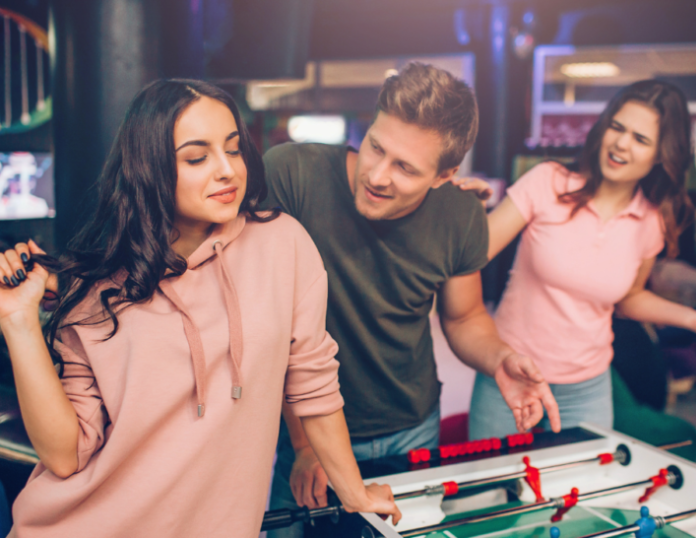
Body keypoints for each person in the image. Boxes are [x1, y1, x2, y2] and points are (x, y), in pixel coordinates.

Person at [0, 79, 399, 538]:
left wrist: (354, 493)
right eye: (197, 157)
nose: (227, 170)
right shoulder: (96, 288)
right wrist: (18, 321)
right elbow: (66, 455)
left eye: (233, 149)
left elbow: (313, 382)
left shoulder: (283, 245)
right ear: (150, 169)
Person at [264, 63, 560, 538]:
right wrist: (304, 443)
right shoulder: (291, 174)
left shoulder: (460, 214)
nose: (378, 175)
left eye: (405, 167)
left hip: (411, 424)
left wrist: (500, 358)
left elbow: (464, 317)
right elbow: (269, 323)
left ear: (445, 175)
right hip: (308, 428)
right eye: (376, 147)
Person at [464, 79, 696, 438]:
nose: (621, 143)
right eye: (617, 127)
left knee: (579, 492)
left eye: (640, 139)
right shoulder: (547, 182)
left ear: (660, 155)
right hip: (509, 373)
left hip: (586, 388)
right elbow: (471, 253)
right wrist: (462, 211)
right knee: (490, 492)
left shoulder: (651, 220)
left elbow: (629, 297)